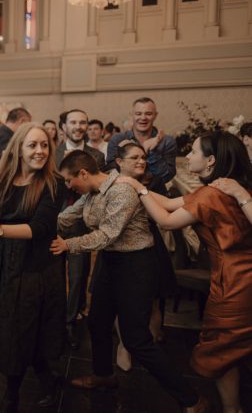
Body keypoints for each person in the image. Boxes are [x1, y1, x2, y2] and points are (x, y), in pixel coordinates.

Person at [50, 150, 203, 413]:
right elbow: (66, 217)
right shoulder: (91, 193)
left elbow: (107, 234)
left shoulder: (121, 191)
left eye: (68, 180)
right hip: (111, 262)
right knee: (97, 322)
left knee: (136, 340)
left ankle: (192, 400)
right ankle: (104, 376)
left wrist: (68, 244)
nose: (68, 185)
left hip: (136, 266)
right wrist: (36, 227)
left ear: (83, 173)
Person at [117, 131, 252, 413]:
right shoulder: (225, 188)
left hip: (235, 282)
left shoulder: (213, 194)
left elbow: (166, 220)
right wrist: (134, 184)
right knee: (232, 347)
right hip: (239, 276)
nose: (187, 156)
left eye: (193, 151)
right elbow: (168, 203)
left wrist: (138, 188)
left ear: (211, 160)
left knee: (221, 347)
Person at [0, 123, 65, 412]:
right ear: (18, 148)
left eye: (44, 145)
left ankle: (14, 393)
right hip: (5, 263)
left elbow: (39, 228)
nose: (40, 151)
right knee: (12, 327)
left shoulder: (53, 183)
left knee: (29, 328)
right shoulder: (2, 180)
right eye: (32, 145)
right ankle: (37, 382)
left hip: (36, 266)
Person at [111, 140, 176, 371]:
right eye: (135, 157)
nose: (141, 161)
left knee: (153, 300)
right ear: (119, 161)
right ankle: (125, 346)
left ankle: (150, 348)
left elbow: (166, 210)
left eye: (143, 157)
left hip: (150, 242)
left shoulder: (154, 180)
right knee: (120, 299)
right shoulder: (110, 181)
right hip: (117, 242)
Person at [55, 109, 105, 349]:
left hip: (82, 225)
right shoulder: (51, 152)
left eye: (82, 122)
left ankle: (70, 322)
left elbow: (95, 189)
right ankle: (53, 320)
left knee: (77, 277)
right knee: (53, 275)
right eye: (73, 122)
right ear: (63, 126)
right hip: (55, 221)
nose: (78, 126)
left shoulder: (96, 156)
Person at [106, 97, 177, 183]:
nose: (143, 118)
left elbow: (166, 177)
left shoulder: (167, 141)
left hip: (155, 190)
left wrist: (152, 152)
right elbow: (111, 172)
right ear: (131, 115)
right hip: (124, 188)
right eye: (138, 114)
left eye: (148, 114)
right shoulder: (117, 139)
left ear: (155, 115)